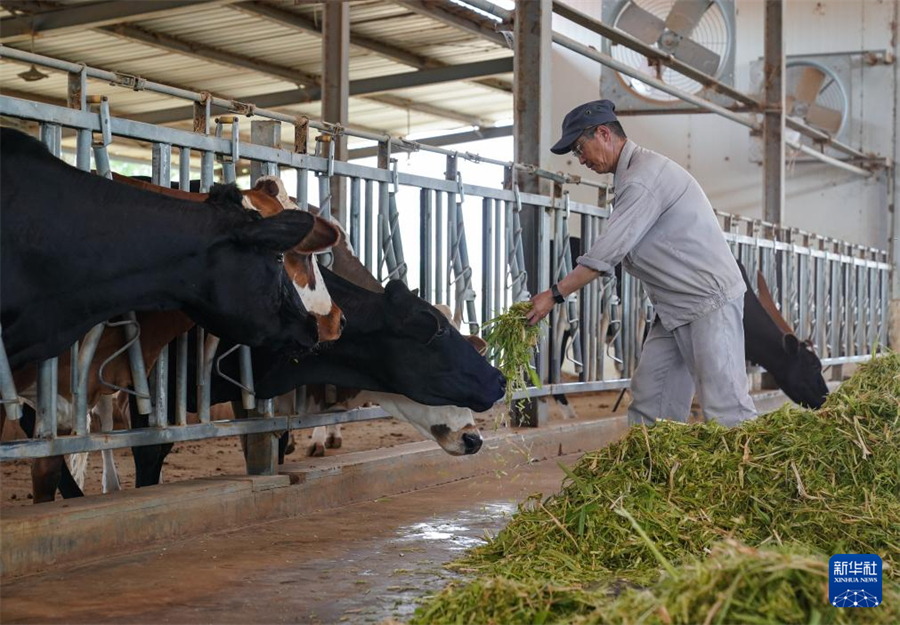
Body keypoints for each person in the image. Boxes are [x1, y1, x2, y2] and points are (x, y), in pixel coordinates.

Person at [526, 99, 756, 427]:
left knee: (726, 407)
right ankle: (652, 471)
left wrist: (553, 295)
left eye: (579, 149)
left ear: (603, 134)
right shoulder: (634, 175)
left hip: (708, 301)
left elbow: (606, 254)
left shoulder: (642, 179)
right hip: (676, 306)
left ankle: (753, 474)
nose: (581, 160)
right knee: (651, 399)